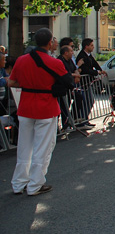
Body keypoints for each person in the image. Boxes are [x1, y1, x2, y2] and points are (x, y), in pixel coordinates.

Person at [10, 28, 75, 196]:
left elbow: (12, 82)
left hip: (25, 106)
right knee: (43, 148)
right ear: (49, 43)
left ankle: (18, 183)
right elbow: (68, 82)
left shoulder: (22, 60)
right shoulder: (54, 63)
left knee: (24, 147)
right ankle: (35, 184)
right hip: (46, 107)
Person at [75, 38, 105, 127]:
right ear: (86, 46)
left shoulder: (89, 55)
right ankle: (82, 120)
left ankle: (85, 119)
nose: (93, 47)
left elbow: (95, 63)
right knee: (88, 101)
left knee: (89, 101)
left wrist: (101, 70)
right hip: (83, 83)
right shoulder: (82, 56)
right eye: (91, 45)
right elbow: (85, 69)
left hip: (89, 82)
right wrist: (97, 72)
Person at [56, 45, 83, 131]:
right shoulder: (60, 60)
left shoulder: (70, 60)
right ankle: (63, 125)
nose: (72, 53)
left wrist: (77, 75)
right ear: (66, 53)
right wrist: (75, 75)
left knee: (78, 97)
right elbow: (64, 73)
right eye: (71, 51)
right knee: (63, 106)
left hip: (70, 86)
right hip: (62, 87)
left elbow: (75, 69)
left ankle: (72, 119)